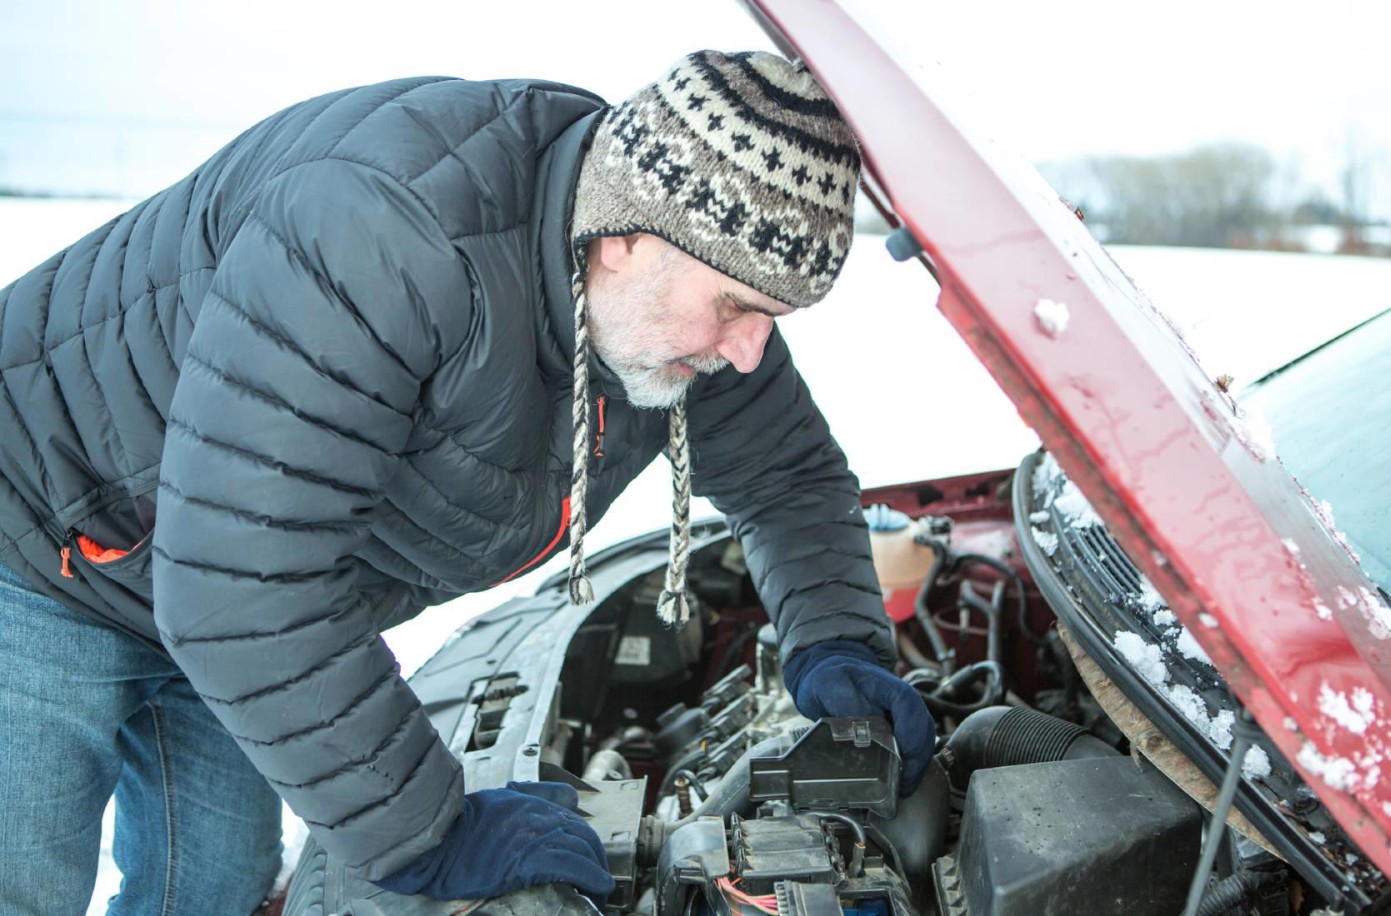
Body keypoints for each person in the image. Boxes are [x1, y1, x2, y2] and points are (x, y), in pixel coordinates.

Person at [0, 50, 936, 910]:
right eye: (736, 306)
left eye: (773, 316)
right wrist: (429, 833)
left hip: (218, 585)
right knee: (26, 879)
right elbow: (244, 582)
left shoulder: (667, 291)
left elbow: (786, 474)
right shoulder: (388, 238)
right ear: (625, 237)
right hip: (45, 532)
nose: (749, 351)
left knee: (214, 881)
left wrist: (836, 645)